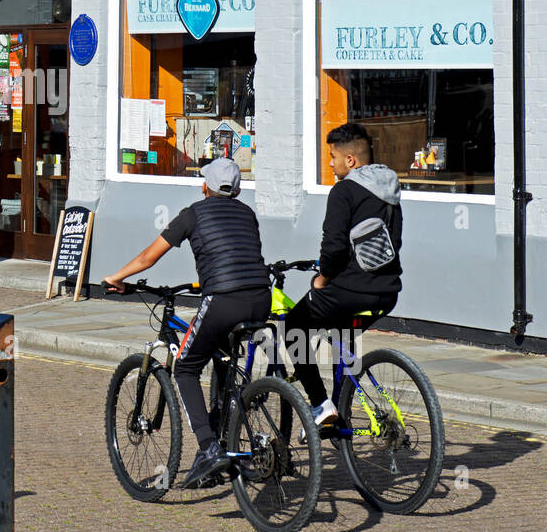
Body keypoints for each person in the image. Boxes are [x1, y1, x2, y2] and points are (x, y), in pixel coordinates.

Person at [102, 157, 269, 488]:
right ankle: (224, 436)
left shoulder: (193, 213)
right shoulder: (247, 214)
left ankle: (208, 448)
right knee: (222, 362)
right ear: (236, 189)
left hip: (223, 300)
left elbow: (149, 257)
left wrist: (116, 277)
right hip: (260, 298)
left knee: (186, 368)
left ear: (204, 186)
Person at [286, 122, 402, 425]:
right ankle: (341, 408)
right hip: (388, 292)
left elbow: (334, 247)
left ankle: (321, 406)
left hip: (350, 290)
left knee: (294, 327)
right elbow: (394, 243)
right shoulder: (389, 191)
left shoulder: (344, 191)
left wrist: (321, 280)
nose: (329, 162)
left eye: (332, 156)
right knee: (342, 334)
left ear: (350, 160)